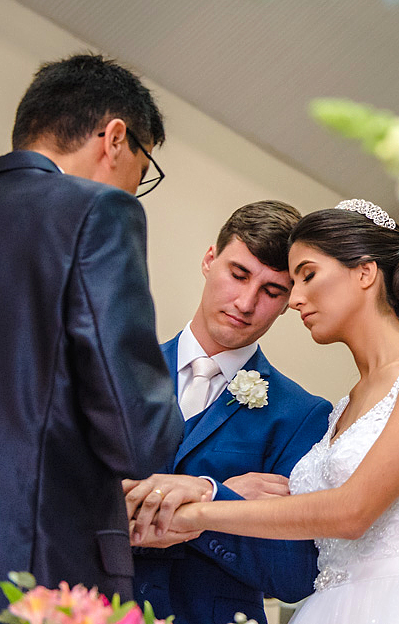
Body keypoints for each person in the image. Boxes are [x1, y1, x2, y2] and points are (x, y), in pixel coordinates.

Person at [145, 199, 399, 623]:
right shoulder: (347, 404)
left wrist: (202, 499)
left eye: (304, 278)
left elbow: (351, 510)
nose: (295, 300)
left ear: (364, 272)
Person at [0, 54, 185, 617]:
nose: (135, 186)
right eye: (143, 170)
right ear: (116, 138)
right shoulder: (99, 210)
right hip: (40, 572)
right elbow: (135, 435)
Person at [126, 200, 333, 624]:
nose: (244, 302)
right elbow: (64, 510)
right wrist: (227, 500)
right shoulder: (115, 371)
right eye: (238, 275)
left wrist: (211, 499)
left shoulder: (302, 415)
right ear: (209, 259)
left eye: (271, 291)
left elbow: (295, 576)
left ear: (289, 300)